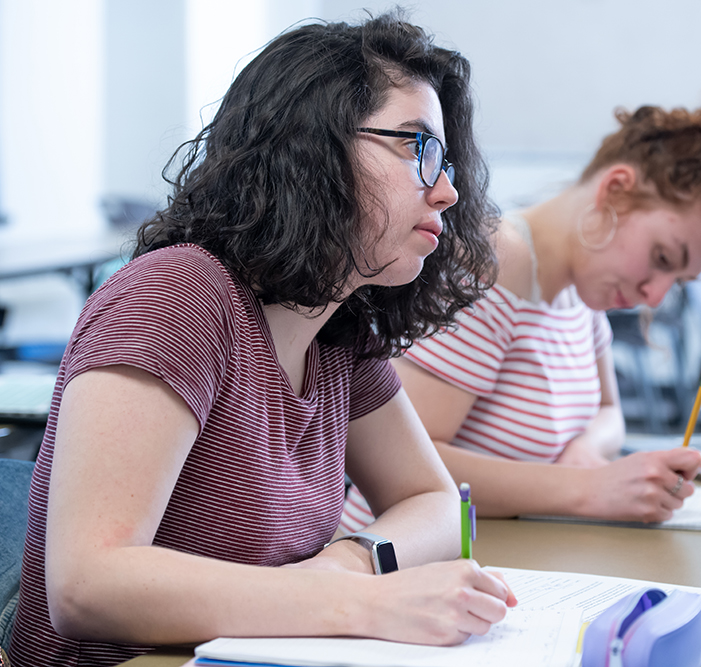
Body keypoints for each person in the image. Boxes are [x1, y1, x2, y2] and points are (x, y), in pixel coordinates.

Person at [8, 13, 516, 667]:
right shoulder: (176, 295)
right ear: (313, 144)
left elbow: (436, 502)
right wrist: (353, 602)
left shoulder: (338, 330)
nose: (446, 192)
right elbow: (88, 583)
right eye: (415, 146)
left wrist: (352, 560)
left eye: (443, 159)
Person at [342, 73, 701, 529]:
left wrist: (586, 452)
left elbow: (610, 414)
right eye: (662, 258)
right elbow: (406, 467)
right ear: (615, 190)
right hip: (416, 564)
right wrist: (589, 489)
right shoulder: (495, 264)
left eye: (679, 280)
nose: (655, 294)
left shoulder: (582, 289)